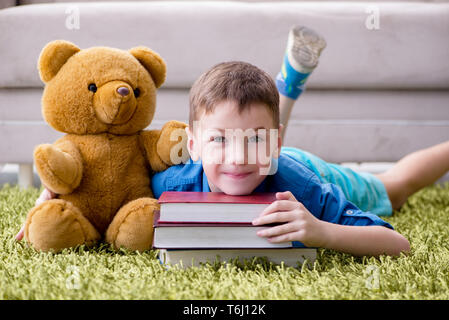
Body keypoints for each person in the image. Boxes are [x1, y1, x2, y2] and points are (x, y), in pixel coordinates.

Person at [16, 26, 449, 257]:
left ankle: (285, 94)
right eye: (219, 139)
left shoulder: (304, 188)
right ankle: (287, 87)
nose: (237, 155)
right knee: (253, 148)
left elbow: (397, 243)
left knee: (394, 187)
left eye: (253, 139)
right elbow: (106, 182)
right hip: (272, 154)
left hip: (303, 165)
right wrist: (51, 200)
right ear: (194, 145)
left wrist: (321, 232)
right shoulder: (173, 182)